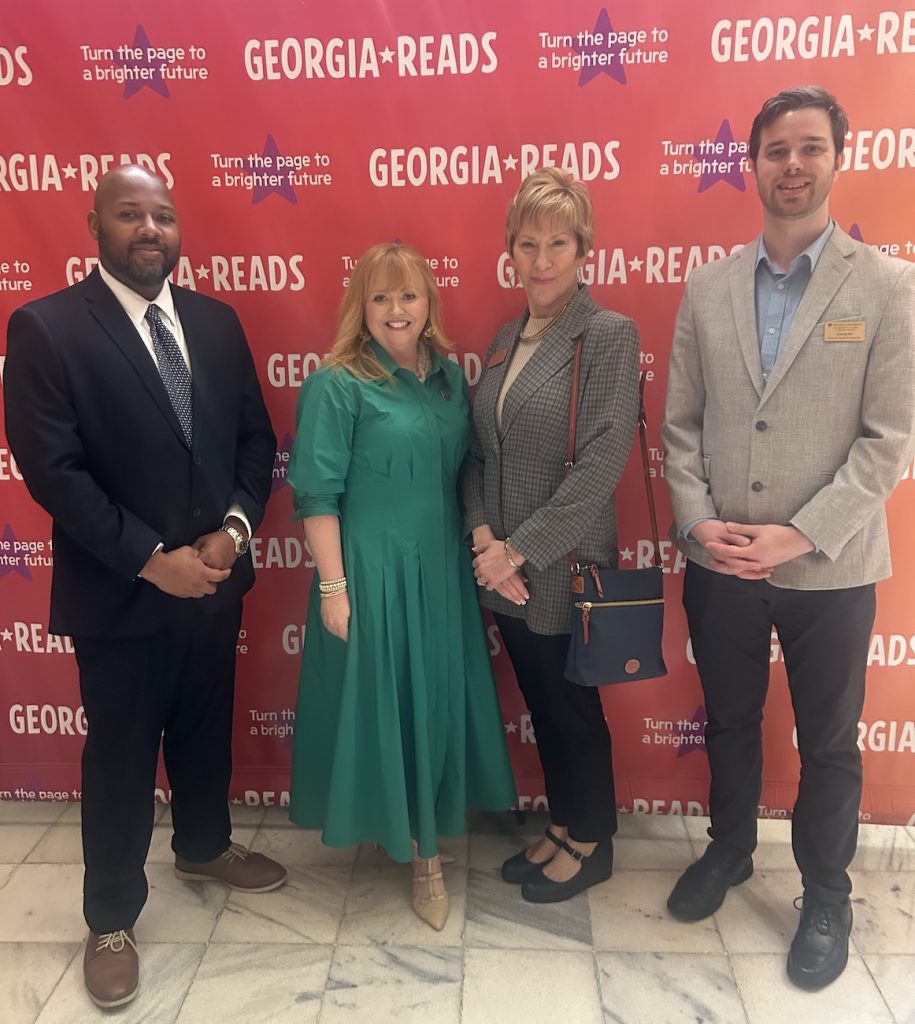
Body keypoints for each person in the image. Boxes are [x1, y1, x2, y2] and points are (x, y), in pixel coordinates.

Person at [3, 165, 285, 1009]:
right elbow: (53, 472)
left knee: (204, 728)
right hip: (120, 594)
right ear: (94, 225)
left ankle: (203, 846)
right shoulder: (47, 327)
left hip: (214, 583)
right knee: (122, 754)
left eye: (163, 214)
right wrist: (151, 559)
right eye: (130, 214)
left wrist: (233, 533)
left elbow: (253, 440)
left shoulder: (216, 322)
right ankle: (112, 918)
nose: (150, 229)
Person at [661, 86, 915, 990]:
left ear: (837, 158)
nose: (793, 165)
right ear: (753, 165)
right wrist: (697, 521)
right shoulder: (707, 287)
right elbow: (680, 426)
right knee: (729, 719)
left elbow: (889, 439)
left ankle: (825, 895)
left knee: (829, 743)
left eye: (809, 147)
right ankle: (729, 849)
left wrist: (799, 535)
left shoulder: (886, 285)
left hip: (831, 567)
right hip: (721, 560)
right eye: (776, 150)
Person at [287, 241, 515, 931]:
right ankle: (422, 857)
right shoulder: (336, 383)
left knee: (435, 703)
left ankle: (432, 833)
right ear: (361, 305)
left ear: (428, 302)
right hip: (372, 573)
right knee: (392, 706)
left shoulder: (448, 377)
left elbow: (466, 471)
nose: (396, 309)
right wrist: (334, 589)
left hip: (440, 570)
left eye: (408, 295)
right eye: (381, 296)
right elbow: (316, 495)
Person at [464, 167, 640, 903]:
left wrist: (516, 550)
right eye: (527, 243)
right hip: (501, 570)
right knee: (542, 704)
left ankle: (591, 841)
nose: (540, 260)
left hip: (562, 564)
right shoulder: (506, 338)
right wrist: (483, 541)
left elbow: (601, 463)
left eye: (557, 243)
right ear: (510, 250)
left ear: (583, 249)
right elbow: (480, 452)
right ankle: (563, 824)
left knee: (572, 710)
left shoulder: (608, 335)